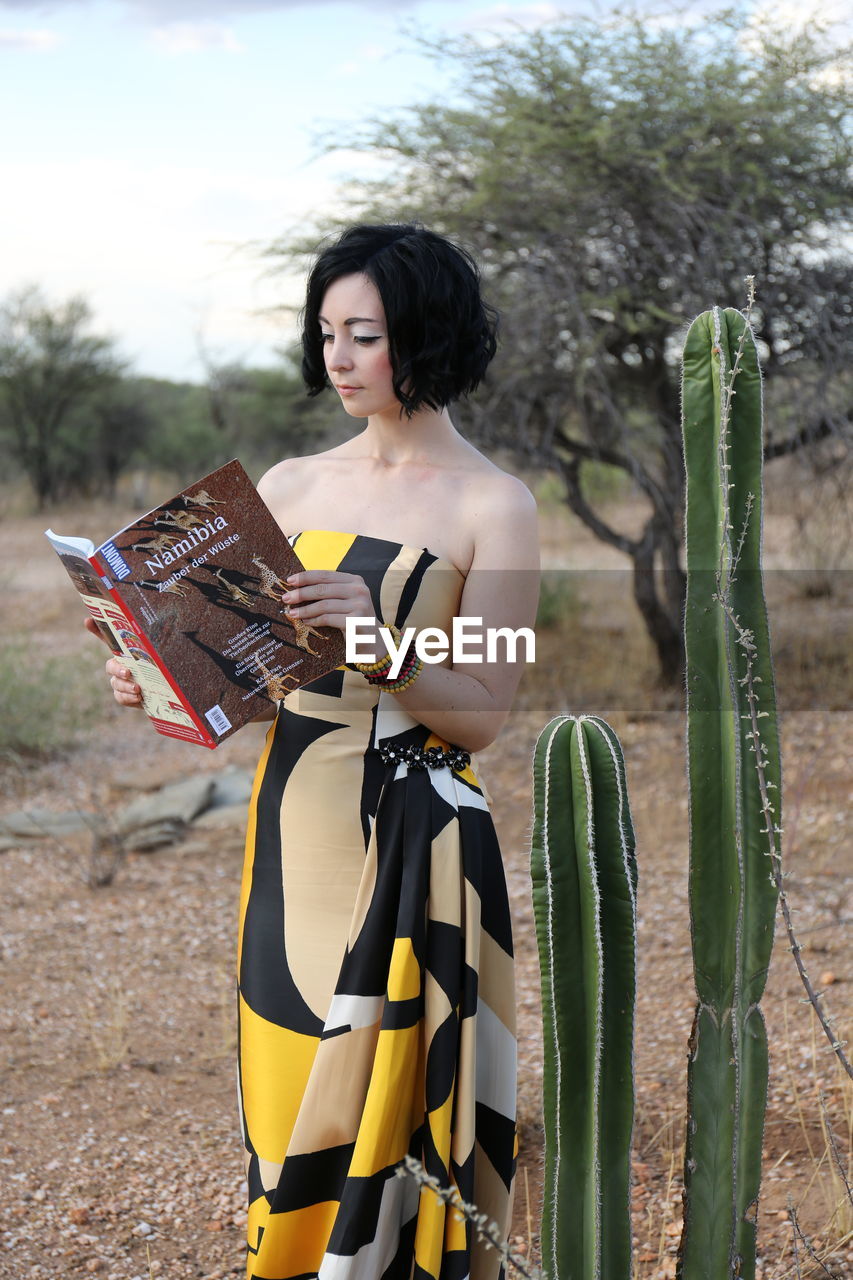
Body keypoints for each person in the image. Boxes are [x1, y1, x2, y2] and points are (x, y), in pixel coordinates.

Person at [89, 223, 540, 1280]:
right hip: (291, 835)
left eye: (365, 335)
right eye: (327, 332)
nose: (337, 357)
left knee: (401, 1142)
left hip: (415, 846)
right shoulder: (285, 484)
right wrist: (152, 675)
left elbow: (485, 708)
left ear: (424, 336)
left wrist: (383, 651)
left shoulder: (497, 506)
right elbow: (233, 686)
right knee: (291, 1110)